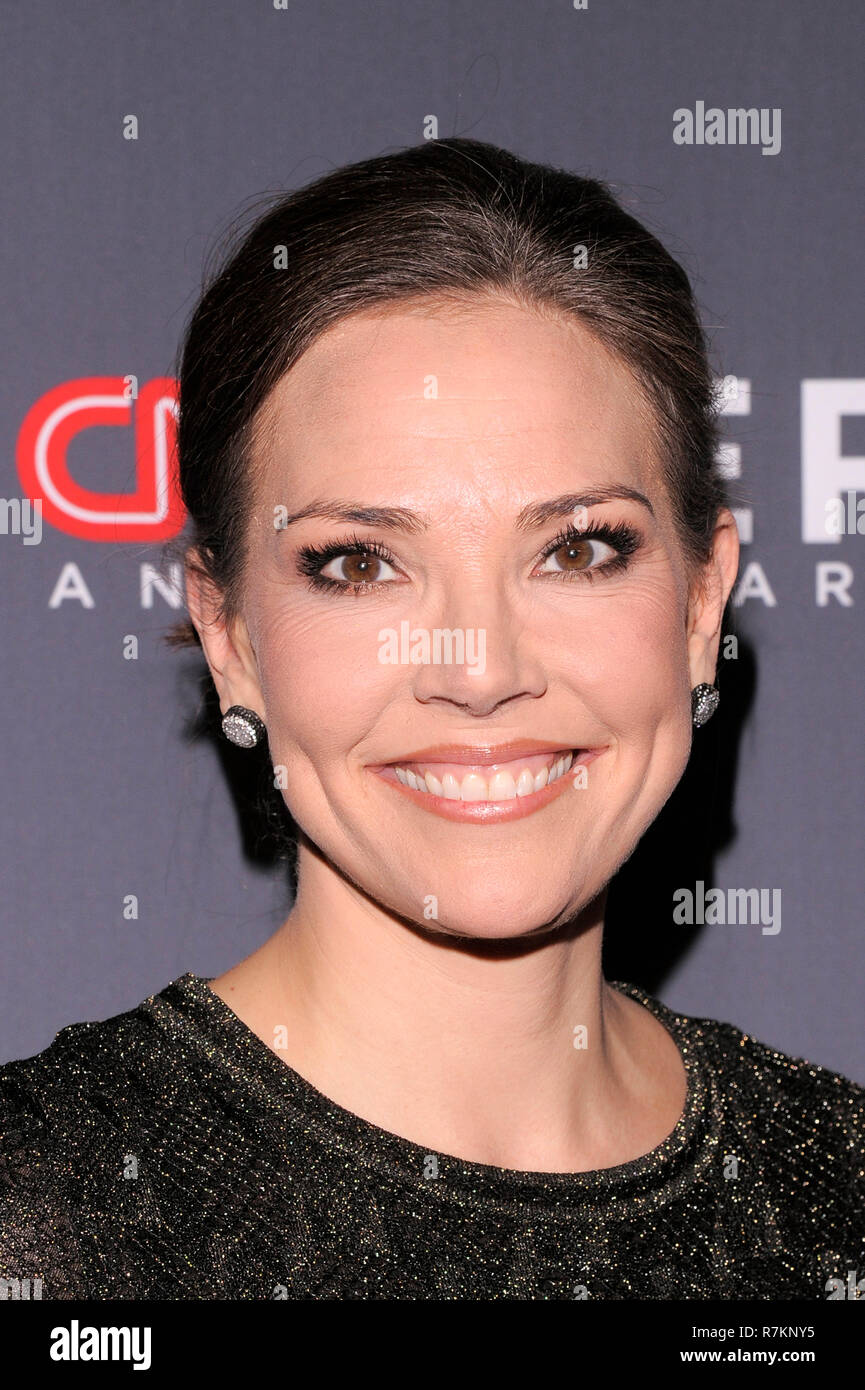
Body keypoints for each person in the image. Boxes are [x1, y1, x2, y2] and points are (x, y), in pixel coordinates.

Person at [1, 138, 861, 1301]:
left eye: (577, 548)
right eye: (358, 563)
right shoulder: (45, 1208)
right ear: (230, 634)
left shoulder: (835, 1197)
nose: (479, 667)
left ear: (704, 600)